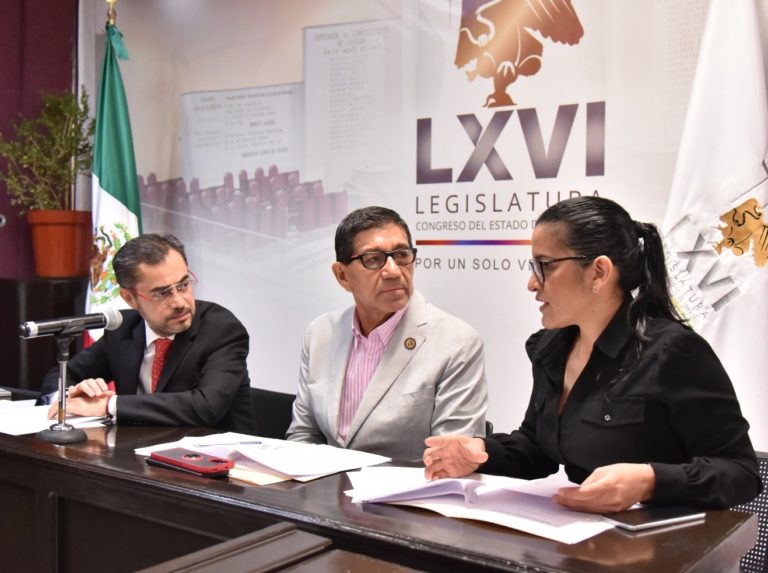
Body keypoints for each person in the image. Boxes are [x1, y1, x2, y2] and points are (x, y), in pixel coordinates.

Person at [423, 196, 762, 512]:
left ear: (599, 271)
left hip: (664, 542)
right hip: (581, 535)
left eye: (545, 266)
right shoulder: (549, 348)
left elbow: (740, 472)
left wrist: (650, 481)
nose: (532, 283)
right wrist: (481, 452)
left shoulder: (673, 352)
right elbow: (539, 448)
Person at [286, 206, 488, 462]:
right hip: (324, 485)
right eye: (373, 259)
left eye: (402, 255)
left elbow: (449, 461)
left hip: (408, 488)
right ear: (342, 276)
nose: (393, 271)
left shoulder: (457, 342)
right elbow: (303, 435)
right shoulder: (320, 334)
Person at [39, 234, 255, 433]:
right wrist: (67, 398)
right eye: (162, 293)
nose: (179, 302)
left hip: (217, 457)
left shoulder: (221, 329)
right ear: (130, 299)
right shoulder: (123, 329)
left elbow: (205, 406)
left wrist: (108, 405)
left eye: (183, 285)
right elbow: (64, 374)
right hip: (135, 451)